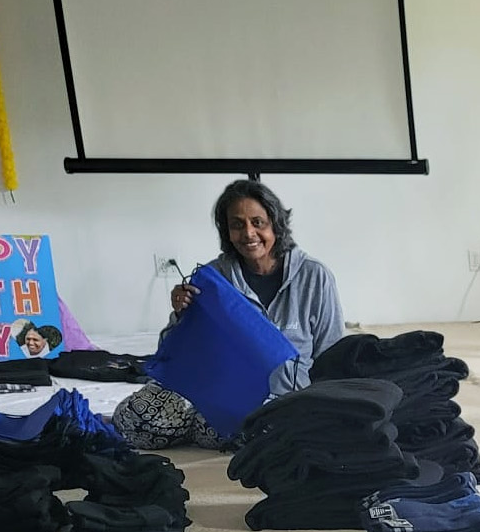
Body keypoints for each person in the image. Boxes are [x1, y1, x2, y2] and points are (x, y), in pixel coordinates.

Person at [112, 179, 344, 450]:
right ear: (227, 232)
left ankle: (212, 429)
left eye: (258, 222)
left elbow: (335, 356)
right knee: (132, 420)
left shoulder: (314, 276)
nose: (248, 234)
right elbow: (174, 350)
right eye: (237, 225)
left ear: (276, 224)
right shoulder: (215, 279)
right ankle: (207, 425)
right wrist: (180, 314)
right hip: (217, 392)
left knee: (259, 430)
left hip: (285, 399)